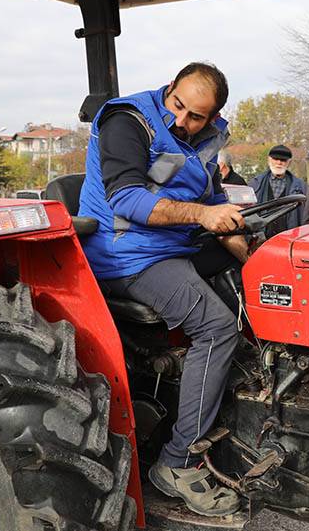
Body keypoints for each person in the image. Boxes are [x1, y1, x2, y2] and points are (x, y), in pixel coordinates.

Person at [78, 62, 247, 517]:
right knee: (217, 326)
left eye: (196, 116)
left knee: (251, 285)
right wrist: (203, 218)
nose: (181, 121)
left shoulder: (202, 139)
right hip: (126, 252)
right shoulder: (128, 121)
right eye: (178, 106)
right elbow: (129, 199)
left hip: (172, 244)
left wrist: (251, 253)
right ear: (169, 89)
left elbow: (212, 201)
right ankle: (179, 463)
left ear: (211, 118)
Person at [248, 145, 308, 237]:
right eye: (275, 159)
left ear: (289, 162)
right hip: (261, 237)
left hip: (288, 237)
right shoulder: (255, 184)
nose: (279, 163)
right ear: (269, 160)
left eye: (283, 160)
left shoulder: (301, 187)